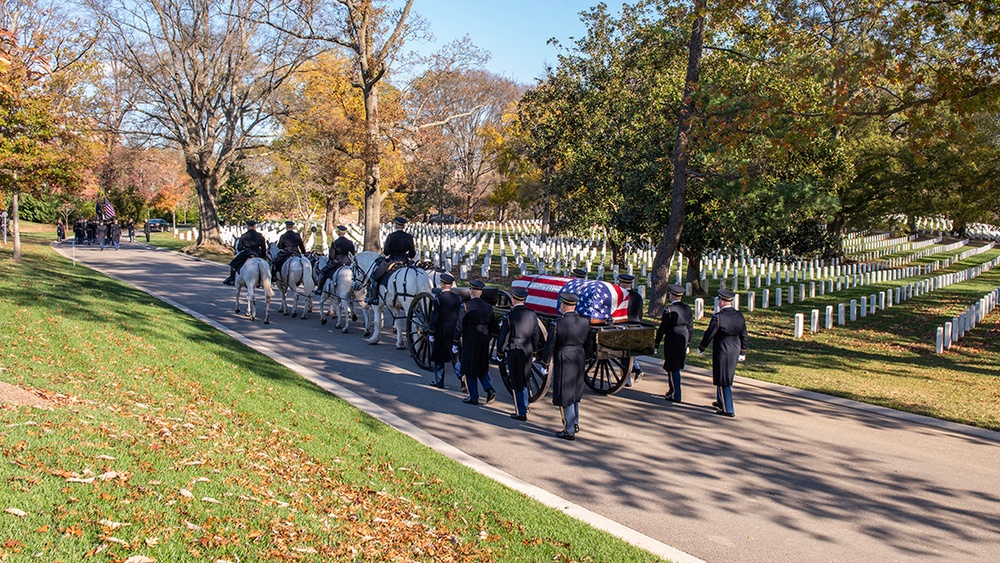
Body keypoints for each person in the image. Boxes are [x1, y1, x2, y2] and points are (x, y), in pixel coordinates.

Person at [542, 293, 590, 440]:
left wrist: (545, 363)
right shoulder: (584, 322)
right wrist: (586, 358)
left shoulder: (558, 323)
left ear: (563, 305)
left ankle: (568, 429)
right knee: (575, 392)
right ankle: (575, 423)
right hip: (579, 356)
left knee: (565, 394)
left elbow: (550, 345)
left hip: (565, 357)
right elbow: (589, 343)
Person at [697, 288, 749, 418]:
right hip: (735, 348)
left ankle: (728, 408)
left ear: (721, 301)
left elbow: (709, 334)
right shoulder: (739, 315)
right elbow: (744, 335)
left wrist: (702, 347)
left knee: (724, 378)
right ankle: (721, 400)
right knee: (723, 374)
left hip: (723, 348)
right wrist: (743, 351)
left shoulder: (719, 317)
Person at [497, 287, 543, 421]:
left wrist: (500, 352)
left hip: (514, 348)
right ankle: (525, 404)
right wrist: (534, 351)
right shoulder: (532, 314)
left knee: (516, 381)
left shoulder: (509, 317)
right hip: (528, 348)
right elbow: (536, 335)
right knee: (524, 378)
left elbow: (504, 338)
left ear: (513, 299)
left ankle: (521, 412)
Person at [452, 280, 497, 405]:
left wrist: (455, 342)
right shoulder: (488, 307)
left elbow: (459, 326)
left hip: (470, 338)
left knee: (469, 367)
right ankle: (489, 389)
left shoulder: (465, 306)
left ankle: (473, 396)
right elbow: (493, 327)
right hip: (483, 339)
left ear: (471, 292)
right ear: (481, 293)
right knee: (481, 366)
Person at [655, 283, 694, 403]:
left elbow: (663, 328)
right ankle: (671, 389)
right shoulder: (687, 309)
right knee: (673, 366)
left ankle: (676, 394)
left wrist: (656, 343)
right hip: (684, 337)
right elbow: (690, 327)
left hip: (672, 339)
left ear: (672, 296)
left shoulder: (669, 310)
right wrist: (688, 343)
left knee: (673, 367)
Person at [367, 216, 416, 305]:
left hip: (392, 260)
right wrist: (406, 255)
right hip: (405, 261)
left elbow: (386, 252)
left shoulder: (391, 237)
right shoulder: (409, 237)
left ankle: (374, 298)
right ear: (403, 226)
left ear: (396, 225)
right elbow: (412, 253)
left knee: (374, 276)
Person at [428, 273, 462, 388]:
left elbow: (435, 317)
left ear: (441, 285)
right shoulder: (458, 298)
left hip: (441, 331)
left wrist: (431, 332)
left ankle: (439, 381)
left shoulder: (438, 299)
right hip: (454, 330)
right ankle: (461, 377)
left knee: (439, 358)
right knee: (455, 358)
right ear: (451, 285)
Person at [618, 273, 645, 385]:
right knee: (629, 351)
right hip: (636, 324)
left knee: (623, 352)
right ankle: (636, 369)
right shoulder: (637, 296)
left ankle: (627, 380)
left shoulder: (621, 296)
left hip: (625, 324)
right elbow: (640, 313)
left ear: (622, 284)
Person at [315, 225, 356, 295]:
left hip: (337, 262)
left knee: (322, 272)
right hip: (349, 263)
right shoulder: (350, 242)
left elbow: (331, 256)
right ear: (344, 233)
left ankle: (320, 289)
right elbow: (353, 253)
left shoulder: (335, 243)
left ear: (338, 233)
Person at [223, 220, 267, 285]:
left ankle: (232, 279)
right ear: (254, 226)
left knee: (233, 264)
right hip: (258, 253)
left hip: (247, 252)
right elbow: (263, 247)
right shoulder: (260, 236)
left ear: (247, 226)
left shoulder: (244, 236)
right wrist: (263, 255)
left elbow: (239, 248)